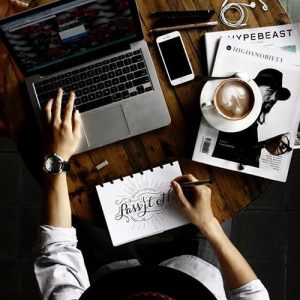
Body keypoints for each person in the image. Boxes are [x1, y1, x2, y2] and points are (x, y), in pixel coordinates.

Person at [34, 88, 269, 299]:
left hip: (112, 276)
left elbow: (57, 249)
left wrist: (57, 157)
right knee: (213, 195)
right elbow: (253, 294)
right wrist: (208, 223)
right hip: (198, 270)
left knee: (83, 214)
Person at [212, 68, 292, 168]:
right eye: (270, 91)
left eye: (277, 95)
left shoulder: (252, 124)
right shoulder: (236, 118)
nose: (273, 99)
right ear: (255, 88)